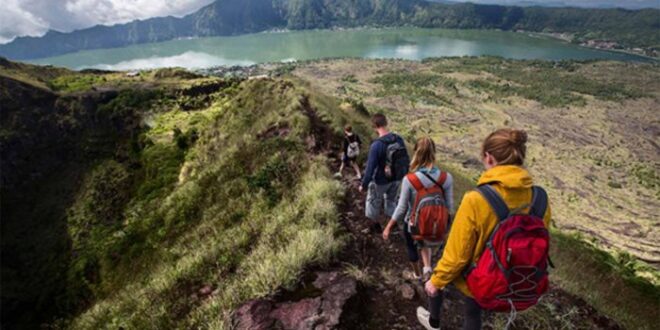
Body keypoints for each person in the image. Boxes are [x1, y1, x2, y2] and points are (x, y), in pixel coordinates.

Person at [419, 129, 552, 330]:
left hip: (481, 281)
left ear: (489, 158)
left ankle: (433, 322)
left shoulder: (476, 199)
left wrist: (436, 282)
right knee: (475, 310)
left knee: (471, 312)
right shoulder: (540, 198)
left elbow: (457, 256)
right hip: (520, 280)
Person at [383, 136, 454, 281]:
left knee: (412, 246)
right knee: (425, 237)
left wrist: (389, 226)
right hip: (435, 223)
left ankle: (417, 274)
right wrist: (448, 228)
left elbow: (402, 208)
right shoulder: (446, 178)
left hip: (413, 223)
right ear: (434, 153)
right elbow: (450, 207)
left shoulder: (409, 179)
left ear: (416, 153)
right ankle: (427, 267)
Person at [360, 113, 410, 233]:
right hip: (397, 178)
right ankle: (392, 226)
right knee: (391, 201)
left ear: (375, 126)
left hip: (380, 181)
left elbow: (370, 168)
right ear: (385, 123)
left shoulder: (376, 145)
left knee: (372, 201)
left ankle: (374, 226)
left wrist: (364, 184)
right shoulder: (398, 139)